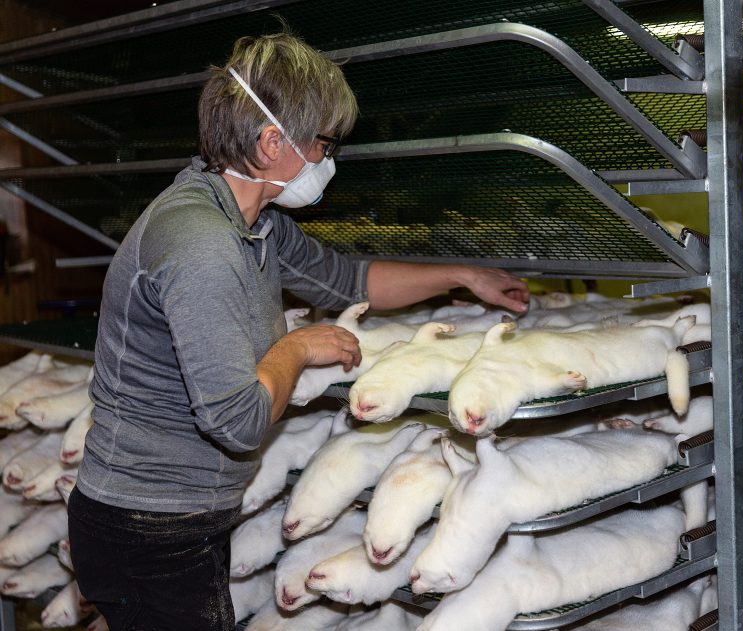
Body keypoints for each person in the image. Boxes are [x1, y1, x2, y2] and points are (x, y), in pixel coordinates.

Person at [67, 30, 529, 630]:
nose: (327, 161)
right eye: (323, 144)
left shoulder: (252, 222)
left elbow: (347, 280)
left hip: (176, 516)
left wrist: (464, 277)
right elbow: (237, 421)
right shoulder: (202, 242)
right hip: (150, 524)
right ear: (270, 142)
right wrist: (295, 345)